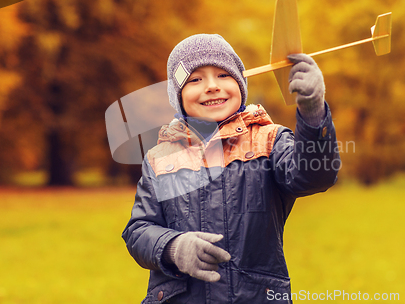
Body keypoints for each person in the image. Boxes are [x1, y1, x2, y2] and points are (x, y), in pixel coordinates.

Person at [122, 34, 340, 303]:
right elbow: (139, 229)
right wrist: (172, 247)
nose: (212, 86)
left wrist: (313, 112)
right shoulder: (159, 157)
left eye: (224, 75)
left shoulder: (269, 140)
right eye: (195, 79)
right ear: (177, 95)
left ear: (241, 83)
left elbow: (314, 176)